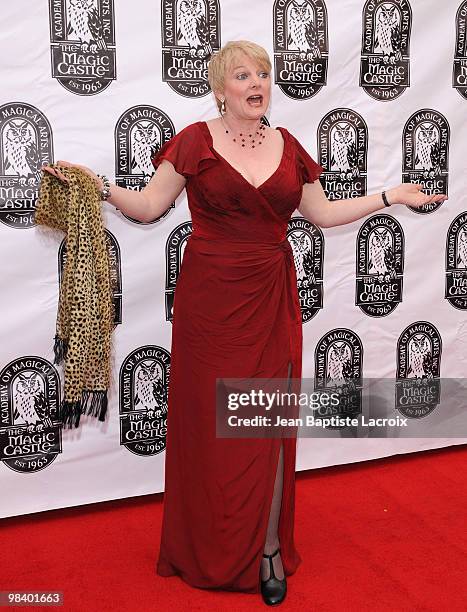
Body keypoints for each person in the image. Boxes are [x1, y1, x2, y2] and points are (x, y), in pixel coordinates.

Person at [42, 40, 447, 606]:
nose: (256, 82)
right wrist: (94, 185)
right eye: (242, 74)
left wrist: (391, 195)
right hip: (209, 302)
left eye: (263, 73)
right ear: (219, 86)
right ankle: (208, 545)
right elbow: (149, 207)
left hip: (270, 298)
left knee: (264, 421)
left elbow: (323, 213)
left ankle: (267, 550)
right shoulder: (194, 142)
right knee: (213, 428)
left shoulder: (289, 146)